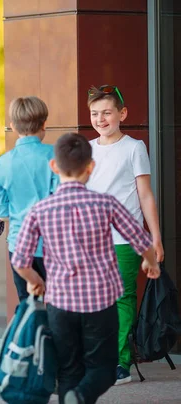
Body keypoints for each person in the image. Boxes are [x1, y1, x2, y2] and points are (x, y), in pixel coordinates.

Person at [12, 132, 160, 404]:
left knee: (68, 370)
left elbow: (20, 261)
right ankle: (81, 396)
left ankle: (75, 395)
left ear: (54, 167)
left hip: (60, 303)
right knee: (103, 369)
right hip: (100, 303)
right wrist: (150, 262)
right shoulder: (106, 204)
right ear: (90, 168)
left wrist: (36, 280)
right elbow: (141, 240)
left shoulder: (41, 209)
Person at [85, 85, 164, 385]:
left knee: (120, 298)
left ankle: (120, 363)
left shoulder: (134, 147)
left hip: (125, 239)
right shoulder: (87, 149)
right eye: (94, 113)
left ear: (122, 113)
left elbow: (145, 195)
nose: (100, 119)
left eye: (106, 112)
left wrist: (155, 238)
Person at [0, 96, 58, 301]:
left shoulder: (3, 163)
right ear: (44, 124)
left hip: (19, 246)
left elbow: (1, 212)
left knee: (27, 303)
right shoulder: (55, 155)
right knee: (58, 305)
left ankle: (30, 335)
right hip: (52, 245)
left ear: (12, 126)